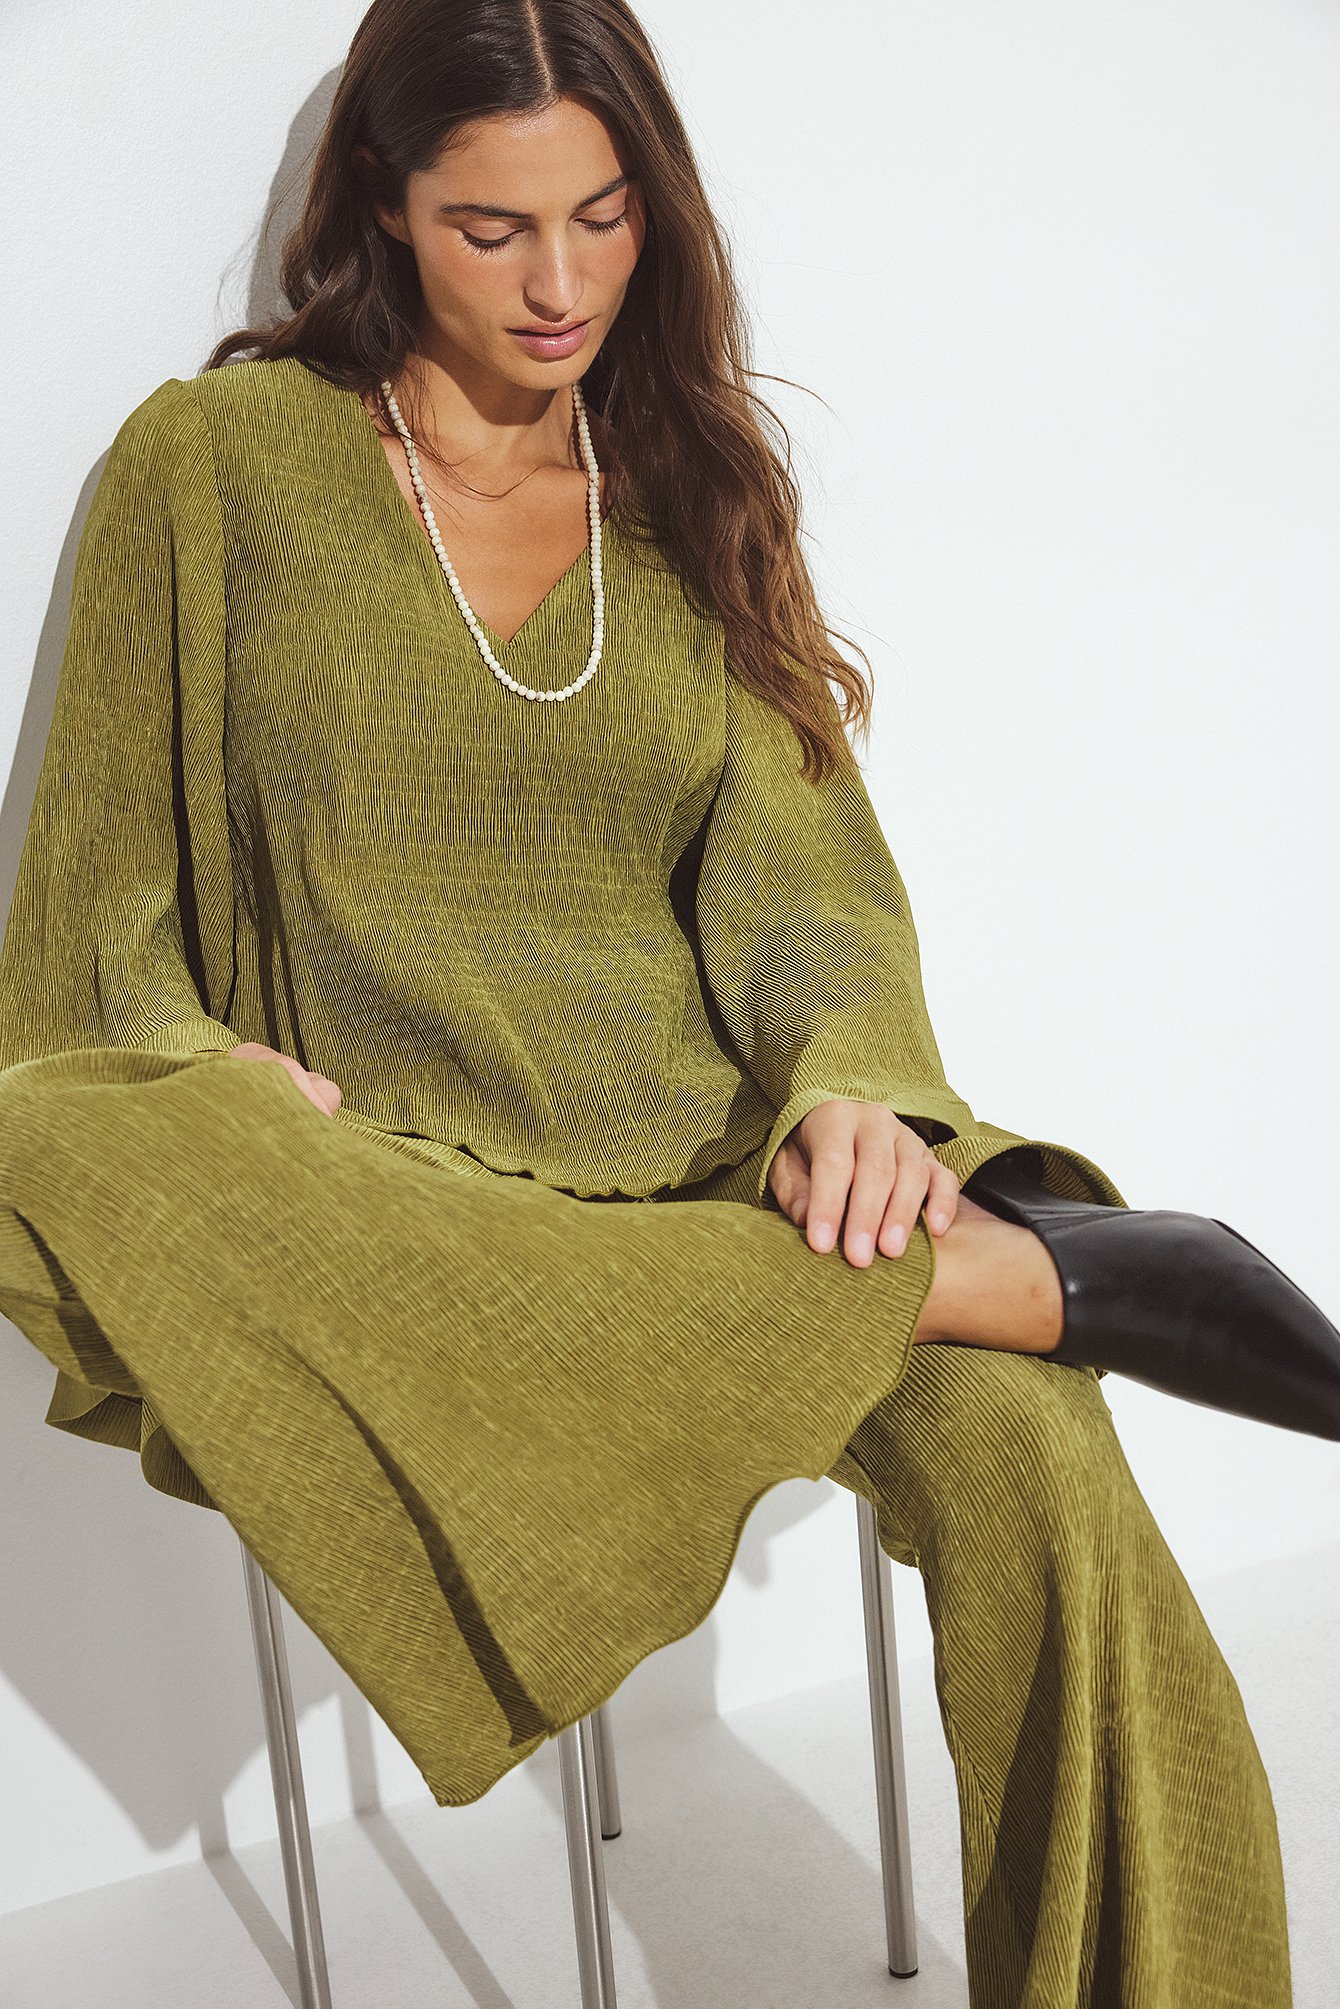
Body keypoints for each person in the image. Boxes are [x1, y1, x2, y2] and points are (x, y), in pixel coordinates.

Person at [0, 2, 1326, 2000]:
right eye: (492, 229)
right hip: (394, 1209)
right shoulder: (214, 467)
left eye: (603, 217)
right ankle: (998, 1278)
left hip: (714, 1177)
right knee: (49, 1133)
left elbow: (809, 890)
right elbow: (86, 938)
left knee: (1043, 1470)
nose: (560, 285)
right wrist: (204, 1065)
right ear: (383, 203)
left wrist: (852, 1087)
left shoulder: (687, 484)